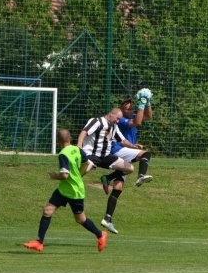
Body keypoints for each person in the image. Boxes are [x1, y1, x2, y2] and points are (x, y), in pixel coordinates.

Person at [23, 129, 108, 253]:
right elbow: (87, 163)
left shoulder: (63, 154)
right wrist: (80, 173)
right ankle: (39, 242)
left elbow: (64, 175)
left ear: (57, 141)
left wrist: (54, 176)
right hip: (63, 190)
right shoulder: (78, 149)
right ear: (71, 138)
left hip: (74, 192)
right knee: (47, 211)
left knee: (80, 219)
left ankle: (100, 234)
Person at [97, 91, 154, 234]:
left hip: (126, 152)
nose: (131, 110)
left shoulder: (132, 115)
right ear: (121, 109)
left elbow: (148, 116)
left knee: (118, 188)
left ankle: (107, 219)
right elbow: (138, 122)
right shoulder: (121, 120)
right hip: (119, 150)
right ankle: (141, 175)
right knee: (146, 154)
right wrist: (141, 103)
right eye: (128, 108)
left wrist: (147, 103)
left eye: (132, 108)